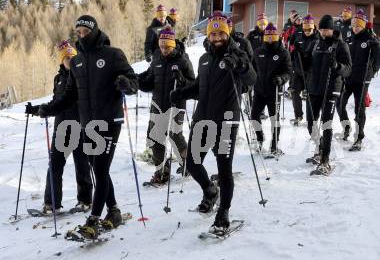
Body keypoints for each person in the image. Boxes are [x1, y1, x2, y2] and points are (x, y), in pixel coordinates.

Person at [36, 15, 138, 239]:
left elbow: (133, 82)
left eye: (85, 31)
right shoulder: (77, 62)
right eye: (79, 32)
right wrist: (49, 108)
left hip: (109, 121)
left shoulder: (113, 55)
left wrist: (126, 84)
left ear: (94, 31)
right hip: (88, 124)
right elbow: (70, 95)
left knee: (100, 170)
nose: (82, 35)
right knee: (98, 170)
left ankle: (93, 221)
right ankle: (113, 212)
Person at [170, 12, 256, 234]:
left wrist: (238, 64)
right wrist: (182, 92)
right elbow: (201, 87)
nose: (217, 37)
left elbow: (252, 79)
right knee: (191, 162)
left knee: (224, 169)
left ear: (226, 34)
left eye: (220, 33)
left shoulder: (238, 53)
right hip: (202, 119)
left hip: (227, 121)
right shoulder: (204, 59)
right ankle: (210, 190)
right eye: (213, 33)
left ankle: (223, 212)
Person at [25, 40, 93, 214]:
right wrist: (36, 110)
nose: (69, 60)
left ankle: (85, 200)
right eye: (66, 58)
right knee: (55, 165)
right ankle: (52, 203)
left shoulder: (83, 76)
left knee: (82, 164)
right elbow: (55, 103)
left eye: (71, 57)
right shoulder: (59, 79)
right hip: (61, 128)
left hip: (79, 126)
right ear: (61, 60)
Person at [138, 27, 195, 185]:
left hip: (175, 104)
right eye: (161, 46)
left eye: (167, 47)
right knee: (155, 136)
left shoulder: (183, 60)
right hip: (157, 103)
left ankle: (188, 165)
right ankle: (161, 172)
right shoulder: (156, 57)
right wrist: (137, 82)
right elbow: (150, 81)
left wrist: (182, 79)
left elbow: (193, 84)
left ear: (173, 45)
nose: (163, 50)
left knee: (175, 135)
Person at [306, 14, 352, 175]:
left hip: (331, 88)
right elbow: (309, 64)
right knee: (311, 121)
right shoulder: (316, 43)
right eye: (321, 29)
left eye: (326, 29)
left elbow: (348, 69)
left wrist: (336, 66)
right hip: (315, 88)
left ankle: (325, 159)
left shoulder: (341, 45)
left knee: (326, 123)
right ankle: (318, 149)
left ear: (332, 29)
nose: (323, 32)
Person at [337, 10, 380, 150]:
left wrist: (375, 45)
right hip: (348, 78)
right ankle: (346, 128)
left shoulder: (370, 38)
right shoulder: (349, 38)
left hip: (362, 79)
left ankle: (358, 138)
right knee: (340, 104)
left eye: (358, 25)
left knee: (359, 109)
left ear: (364, 26)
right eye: (354, 25)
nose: (355, 28)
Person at [251, 23, 292, 155]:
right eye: (267, 36)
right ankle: (260, 139)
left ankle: (274, 146)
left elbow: (288, 71)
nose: (269, 39)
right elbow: (252, 70)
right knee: (253, 116)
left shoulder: (283, 52)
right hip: (259, 90)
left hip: (274, 91)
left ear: (276, 36)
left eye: (272, 36)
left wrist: (281, 79)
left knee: (274, 118)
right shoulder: (258, 52)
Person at [290, 14, 320, 126]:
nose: (307, 31)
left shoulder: (318, 38)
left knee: (310, 95)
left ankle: (311, 117)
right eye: (305, 29)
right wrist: (294, 54)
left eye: (309, 29)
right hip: (298, 70)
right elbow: (292, 53)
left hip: (311, 72)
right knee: (294, 92)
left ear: (313, 27)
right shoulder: (298, 37)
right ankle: (298, 115)